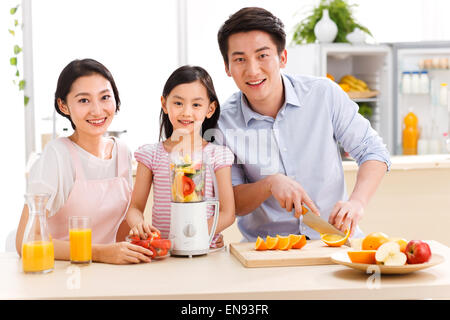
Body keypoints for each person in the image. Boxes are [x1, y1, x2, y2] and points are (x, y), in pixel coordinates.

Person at [216, 7, 391, 242]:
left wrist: (357, 203)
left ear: (283, 58)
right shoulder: (223, 123)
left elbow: (374, 151)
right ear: (227, 67)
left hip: (334, 242)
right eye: (239, 59)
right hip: (268, 251)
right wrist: (270, 183)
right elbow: (233, 202)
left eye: (263, 55)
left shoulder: (323, 94)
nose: (252, 70)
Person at [16, 58, 153, 264]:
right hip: (61, 274)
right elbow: (26, 241)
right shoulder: (57, 155)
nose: (97, 110)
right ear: (63, 106)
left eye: (105, 97)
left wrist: (140, 234)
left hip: (107, 274)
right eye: (83, 100)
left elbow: (117, 233)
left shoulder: (122, 153)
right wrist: (101, 253)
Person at [126, 65, 235, 248]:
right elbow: (135, 208)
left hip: (205, 249)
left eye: (196, 105)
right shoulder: (151, 155)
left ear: (210, 109)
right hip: (164, 252)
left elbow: (227, 213)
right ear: (164, 104)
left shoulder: (217, 156)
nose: (186, 112)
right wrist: (138, 224)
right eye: (178, 103)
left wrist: (194, 238)